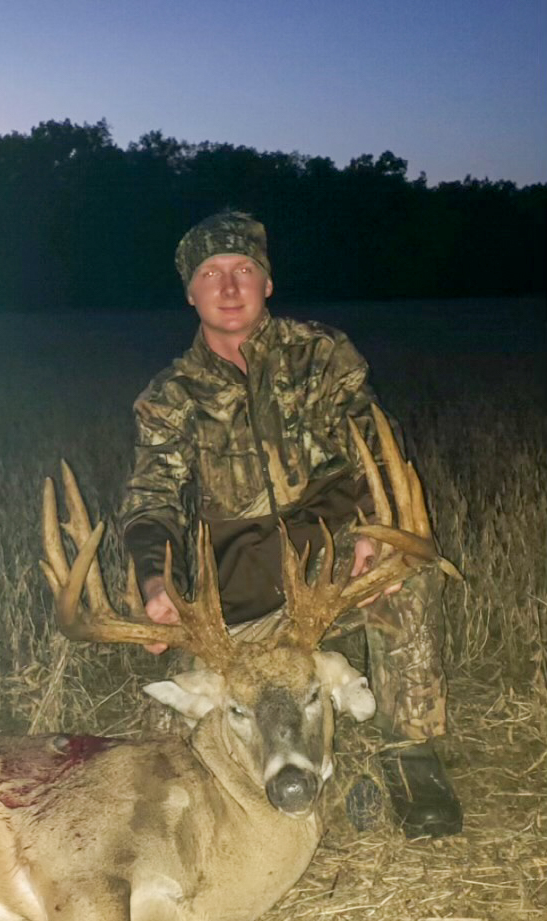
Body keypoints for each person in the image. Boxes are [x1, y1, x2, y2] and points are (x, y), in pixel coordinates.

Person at [119, 210, 463, 839]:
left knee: (406, 578)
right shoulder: (170, 396)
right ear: (191, 292)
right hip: (243, 598)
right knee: (172, 738)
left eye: (244, 270)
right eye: (211, 274)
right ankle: (283, 788)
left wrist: (373, 531)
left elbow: (375, 449)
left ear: (267, 284)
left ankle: (409, 755)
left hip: (333, 575)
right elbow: (150, 500)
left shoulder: (322, 355)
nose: (229, 287)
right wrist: (153, 583)